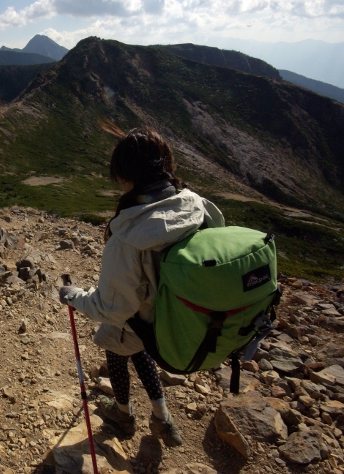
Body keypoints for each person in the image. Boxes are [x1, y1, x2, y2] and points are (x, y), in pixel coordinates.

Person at [59, 124, 225, 447]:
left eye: (120, 177)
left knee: (117, 341)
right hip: (181, 323)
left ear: (128, 178)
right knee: (141, 345)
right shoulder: (197, 204)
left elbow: (109, 308)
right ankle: (163, 419)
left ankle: (124, 413)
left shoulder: (127, 238)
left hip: (148, 323)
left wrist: (73, 296)